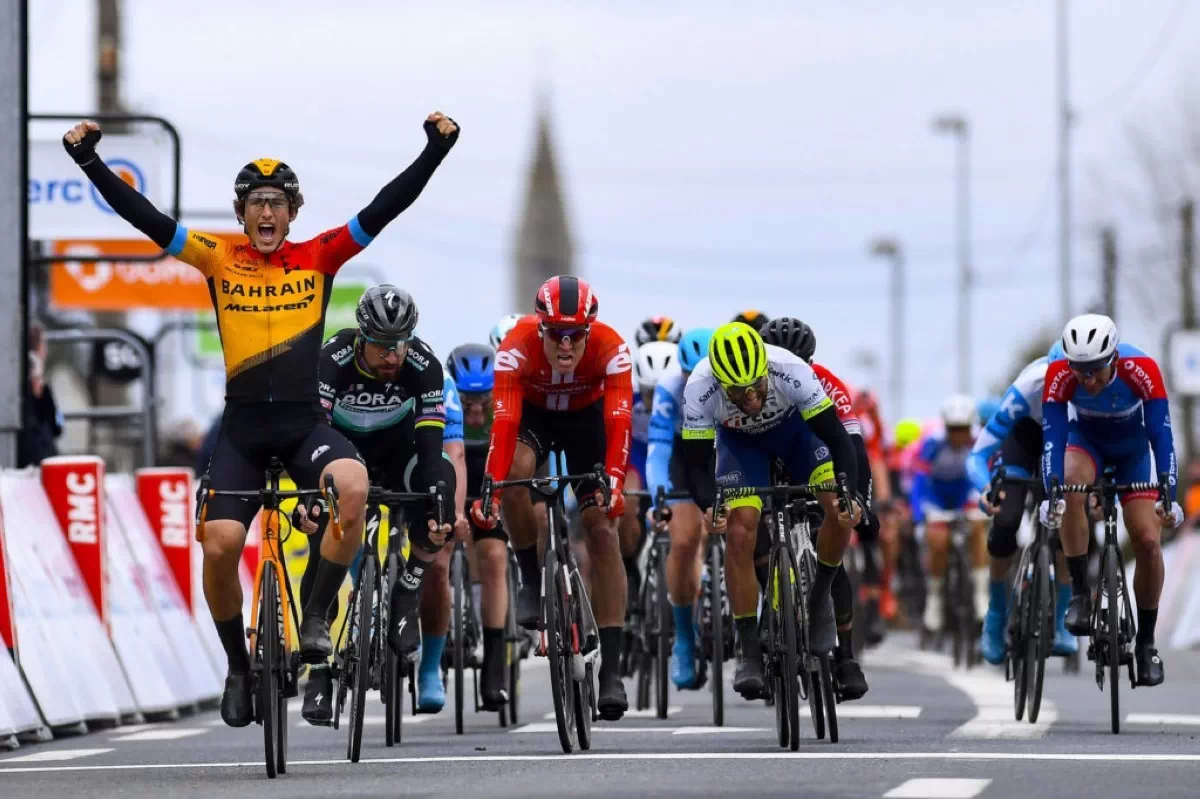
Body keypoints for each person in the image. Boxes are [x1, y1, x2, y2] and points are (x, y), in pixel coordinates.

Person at [64, 110, 458, 728]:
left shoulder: (320, 256)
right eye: (255, 203)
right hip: (242, 432)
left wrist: (434, 152)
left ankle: (319, 616)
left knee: (352, 489)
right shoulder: (218, 258)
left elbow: (385, 208)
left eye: (277, 202)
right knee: (219, 546)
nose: (267, 213)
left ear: (293, 211)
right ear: (241, 212)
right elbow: (146, 219)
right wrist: (88, 161)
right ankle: (237, 665)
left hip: (305, 427)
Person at [470, 275, 634, 721]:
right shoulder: (514, 346)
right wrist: (490, 486)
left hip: (589, 424)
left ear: (588, 331)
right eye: (556, 335)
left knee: (602, 529)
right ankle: (528, 575)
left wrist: (614, 483)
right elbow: (503, 424)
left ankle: (613, 671)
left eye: (575, 335)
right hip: (536, 418)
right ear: (539, 327)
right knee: (516, 477)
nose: (566, 345)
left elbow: (619, 421)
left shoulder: (612, 347)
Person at [297, 286, 457, 724]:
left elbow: (429, 448)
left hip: (400, 449)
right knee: (322, 548)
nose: (392, 357)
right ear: (362, 337)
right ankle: (319, 671)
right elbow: (313, 435)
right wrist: (314, 494)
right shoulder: (332, 358)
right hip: (345, 452)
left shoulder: (423, 365)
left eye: (399, 345)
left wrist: (435, 500)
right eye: (383, 347)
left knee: (440, 483)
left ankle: (408, 586)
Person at [681, 322, 861, 699]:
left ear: (766, 369)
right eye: (737, 392)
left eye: (756, 387)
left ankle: (821, 595)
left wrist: (851, 496)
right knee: (740, 528)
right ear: (719, 382)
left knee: (835, 506)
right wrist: (710, 506)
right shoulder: (699, 387)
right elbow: (695, 466)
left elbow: (839, 439)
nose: (749, 399)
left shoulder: (790, 369)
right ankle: (748, 649)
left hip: (797, 435)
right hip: (741, 447)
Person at [1042, 314, 1181, 686]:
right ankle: (1081, 596)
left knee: (1149, 541)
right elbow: (1053, 436)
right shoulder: (1058, 375)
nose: (1087, 380)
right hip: (1086, 446)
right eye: (1079, 370)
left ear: (1114, 357)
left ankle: (1147, 644)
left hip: (1132, 452)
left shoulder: (1143, 369)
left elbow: (1161, 435)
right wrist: (1051, 486)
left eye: (1096, 370)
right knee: (1071, 488)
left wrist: (1169, 488)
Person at [761, 316, 877, 695]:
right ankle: (769, 623)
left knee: (832, 548)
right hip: (769, 460)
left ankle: (846, 656)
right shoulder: (752, 385)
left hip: (816, 457)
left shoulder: (827, 382)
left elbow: (854, 447)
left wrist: (859, 501)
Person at [967, 344, 1075, 665]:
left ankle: (1062, 615)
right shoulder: (1028, 387)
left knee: (1067, 523)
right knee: (1007, 518)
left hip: (1063, 447)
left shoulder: (1090, 391)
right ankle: (996, 612)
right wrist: (986, 489)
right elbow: (978, 455)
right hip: (1021, 441)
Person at [445, 342, 511, 709]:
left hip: (489, 482)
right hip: (452, 478)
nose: (474, 415)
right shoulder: (440, 400)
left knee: (494, 557)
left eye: (481, 405)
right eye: (465, 405)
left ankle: (495, 662)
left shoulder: (504, 405)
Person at [645, 328, 712, 691]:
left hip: (721, 449)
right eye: (690, 376)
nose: (697, 382)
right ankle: (684, 640)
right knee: (683, 541)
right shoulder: (669, 388)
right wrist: (659, 497)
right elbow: (657, 450)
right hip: (684, 456)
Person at [910, 393, 988, 636]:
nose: (958, 434)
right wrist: (919, 517)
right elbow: (919, 484)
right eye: (953, 429)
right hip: (937, 498)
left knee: (978, 529)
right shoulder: (932, 444)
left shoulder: (978, 443)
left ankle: (980, 594)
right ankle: (935, 599)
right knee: (938, 541)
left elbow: (983, 477)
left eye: (963, 428)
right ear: (946, 427)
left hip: (964, 495)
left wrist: (985, 504)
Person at [623, 341, 677, 608]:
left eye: (659, 392)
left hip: (670, 460)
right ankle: (629, 569)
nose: (655, 401)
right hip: (636, 461)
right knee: (627, 504)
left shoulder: (685, 397)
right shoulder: (629, 401)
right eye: (647, 392)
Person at [18, 323, 63, 467]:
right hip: (33, 457)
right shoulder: (19, 390)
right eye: (43, 344)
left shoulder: (45, 390)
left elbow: (58, 427)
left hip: (45, 452)